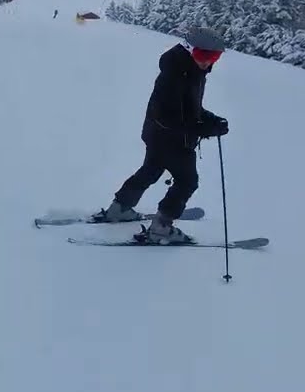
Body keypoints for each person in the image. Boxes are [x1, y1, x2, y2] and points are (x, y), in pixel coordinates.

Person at [91, 26, 229, 243]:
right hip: (170, 139)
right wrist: (203, 129)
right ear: (189, 49)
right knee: (187, 181)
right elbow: (165, 116)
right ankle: (161, 228)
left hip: (159, 136)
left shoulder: (191, 70)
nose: (208, 61)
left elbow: (190, 109)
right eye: (203, 55)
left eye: (214, 57)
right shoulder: (174, 75)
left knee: (151, 170)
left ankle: (119, 208)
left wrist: (212, 120)